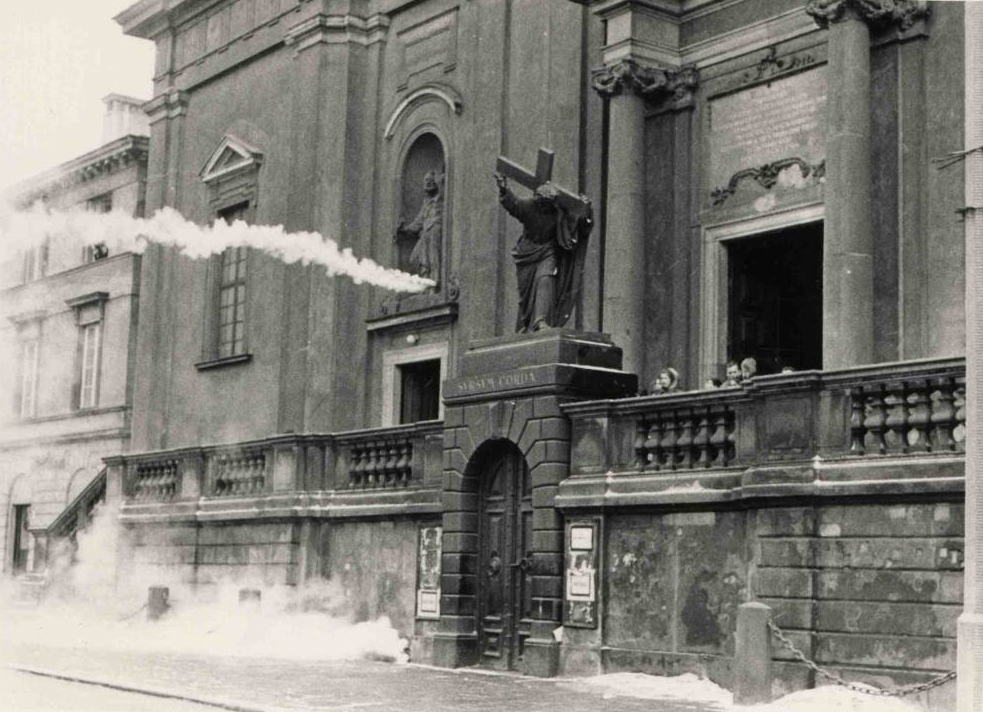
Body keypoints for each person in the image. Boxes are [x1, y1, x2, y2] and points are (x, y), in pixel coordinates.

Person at [495, 172, 593, 332]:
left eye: (549, 205)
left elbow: (574, 222)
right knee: (525, 298)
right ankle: (526, 321)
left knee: (545, 279)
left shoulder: (557, 212)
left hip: (547, 251)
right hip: (527, 254)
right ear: (537, 201)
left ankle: (541, 321)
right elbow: (513, 204)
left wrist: (585, 209)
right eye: (543, 204)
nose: (546, 208)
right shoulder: (528, 206)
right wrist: (504, 189)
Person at [395, 170, 443, 285]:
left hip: (435, 232)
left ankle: (433, 285)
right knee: (415, 259)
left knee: (433, 260)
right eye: (425, 180)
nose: (428, 183)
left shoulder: (441, 199)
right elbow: (418, 222)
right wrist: (404, 230)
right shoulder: (426, 203)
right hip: (425, 234)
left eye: (431, 180)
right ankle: (425, 284)